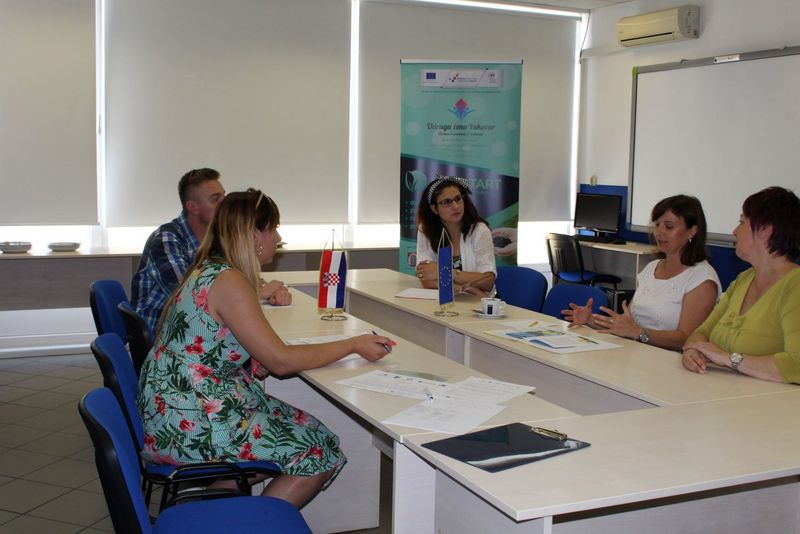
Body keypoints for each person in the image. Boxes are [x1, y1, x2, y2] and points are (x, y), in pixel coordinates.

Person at [137, 189, 393, 508]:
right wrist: (353, 344)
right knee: (319, 451)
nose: (278, 237)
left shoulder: (212, 269)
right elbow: (280, 362)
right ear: (255, 234)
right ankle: (251, 523)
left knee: (306, 431)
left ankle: (207, 510)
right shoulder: (230, 281)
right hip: (191, 418)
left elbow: (228, 344)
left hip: (178, 403)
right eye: (273, 228)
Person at [131, 168, 289, 332]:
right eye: (215, 200)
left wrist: (269, 291)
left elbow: (235, 279)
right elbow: (189, 296)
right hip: (159, 332)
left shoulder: (217, 237)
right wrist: (259, 293)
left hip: (192, 328)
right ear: (193, 207)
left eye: (224, 197)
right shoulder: (166, 239)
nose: (224, 204)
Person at [563, 195, 721, 351]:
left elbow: (686, 338)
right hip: (636, 352)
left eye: (669, 226)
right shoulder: (652, 268)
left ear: (692, 231)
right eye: (657, 225)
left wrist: (639, 333)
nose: (659, 232)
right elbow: (627, 325)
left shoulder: (702, 279)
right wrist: (591, 320)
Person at [682, 186, 800, 383]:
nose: (735, 231)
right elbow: (701, 333)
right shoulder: (744, 279)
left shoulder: (795, 286)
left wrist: (729, 359)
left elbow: (797, 364)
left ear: (765, 230)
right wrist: (693, 352)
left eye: (742, 222)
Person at [415, 175, 496, 293]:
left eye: (458, 199)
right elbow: (426, 278)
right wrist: (466, 288)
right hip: (445, 300)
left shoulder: (480, 230)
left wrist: (448, 273)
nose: (455, 206)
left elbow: (488, 280)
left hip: (479, 302)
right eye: (447, 202)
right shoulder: (425, 229)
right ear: (434, 208)